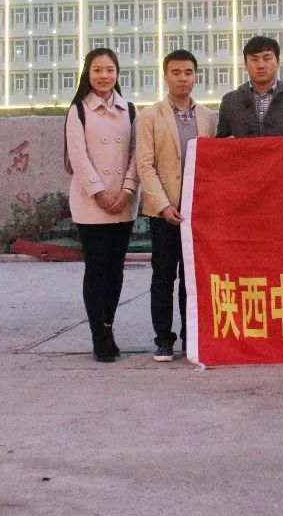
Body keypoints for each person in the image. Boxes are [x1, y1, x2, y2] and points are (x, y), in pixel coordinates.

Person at [136, 49, 217, 362]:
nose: (182, 79)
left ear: (195, 76)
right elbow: (145, 164)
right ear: (165, 76)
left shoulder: (207, 116)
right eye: (176, 73)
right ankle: (163, 339)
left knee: (193, 278)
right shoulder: (150, 116)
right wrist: (163, 205)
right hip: (164, 212)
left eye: (188, 73)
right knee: (163, 277)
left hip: (196, 212)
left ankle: (190, 337)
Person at [64, 48, 138, 363]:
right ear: (87, 74)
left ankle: (108, 325)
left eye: (109, 70)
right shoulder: (78, 110)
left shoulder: (130, 110)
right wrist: (99, 193)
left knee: (116, 269)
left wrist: (127, 188)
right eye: (97, 70)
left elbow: (138, 155)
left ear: (117, 74)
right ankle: (99, 336)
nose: (104, 76)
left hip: (123, 201)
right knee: (96, 270)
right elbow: (78, 157)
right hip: (90, 203)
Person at [217, 35, 283, 137]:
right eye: (254, 59)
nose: (261, 65)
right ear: (246, 64)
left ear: (278, 62)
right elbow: (221, 143)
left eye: (267, 58)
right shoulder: (230, 101)